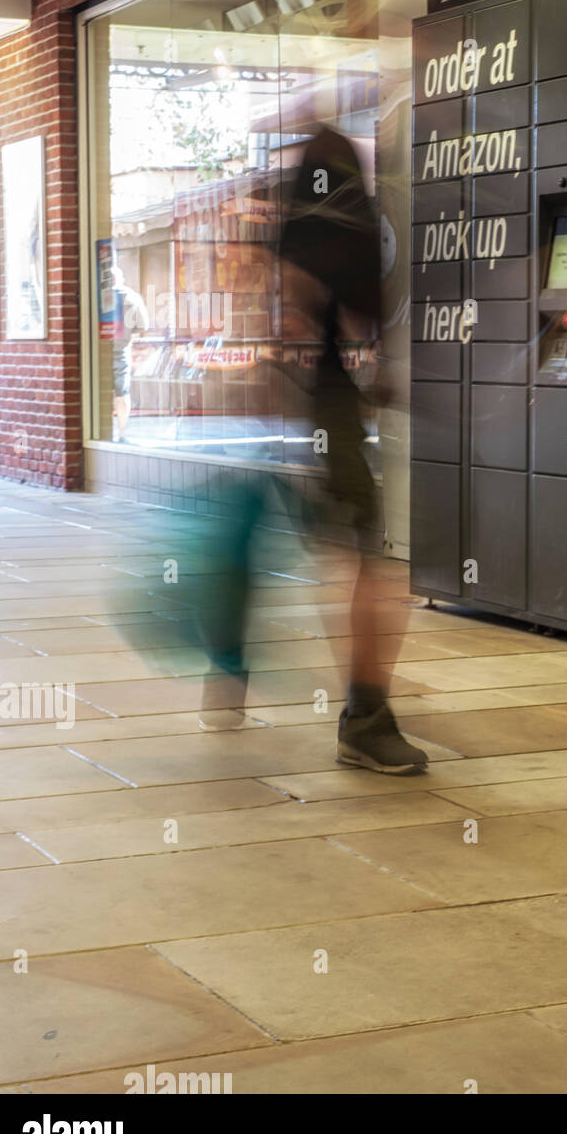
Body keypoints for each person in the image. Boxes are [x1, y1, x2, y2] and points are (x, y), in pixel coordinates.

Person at [199, 125, 428, 776]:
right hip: (317, 418)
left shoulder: (289, 229)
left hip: (286, 421)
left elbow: (303, 322)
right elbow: (322, 317)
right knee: (373, 561)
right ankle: (366, 719)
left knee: (248, 543)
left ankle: (228, 668)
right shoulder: (327, 229)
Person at [110, 264, 149, 442]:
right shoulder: (131, 296)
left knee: (100, 391)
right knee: (122, 393)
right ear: (121, 278)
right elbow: (143, 325)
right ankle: (122, 433)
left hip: (98, 352)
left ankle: (103, 432)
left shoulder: (96, 295)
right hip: (121, 349)